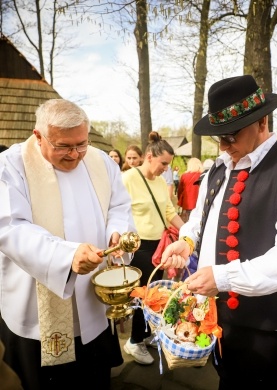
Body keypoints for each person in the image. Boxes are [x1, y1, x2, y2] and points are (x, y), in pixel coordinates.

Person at [161, 75, 277, 389]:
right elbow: (201, 218)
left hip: (260, 322)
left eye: (231, 136)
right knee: (226, 379)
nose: (223, 146)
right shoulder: (218, 168)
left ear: (261, 122)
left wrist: (222, 278)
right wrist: (187, 241)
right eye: (218, 137)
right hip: (217, 313)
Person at [0, 98, 135, 390]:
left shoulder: (100, 161)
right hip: (38, 311)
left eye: (81, 143)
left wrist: (116, 232)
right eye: (63, 146)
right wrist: (66, 256)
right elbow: (10, 227)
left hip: (94, 301)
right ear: (38, 136)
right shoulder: (11, 165)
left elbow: (120, 206)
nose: (75, 155)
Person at [121, 131, 184, 365]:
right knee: (142, 296)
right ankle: (133, 342)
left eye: (168, 164)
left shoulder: (159, 182)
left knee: (156, 295)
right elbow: (116, 212)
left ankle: (144, 334)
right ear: (149, 156)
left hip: (160, 246)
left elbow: (169, 212)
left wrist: (188, 233)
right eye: (163, 163)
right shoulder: (128, 179)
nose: (166, 169)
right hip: (139, 248)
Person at [177, 157, 203, 223]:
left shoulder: (184, 176)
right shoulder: (202, 175)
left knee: (186, 223)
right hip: (199, 204)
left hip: (187, 204)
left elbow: (179, 191)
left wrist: (180, 200)